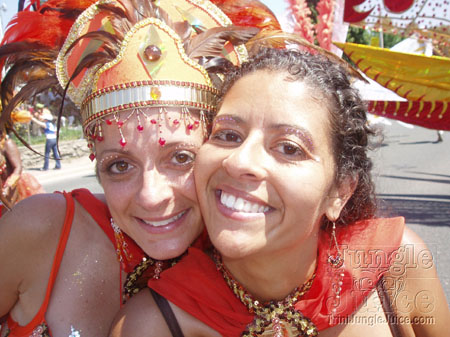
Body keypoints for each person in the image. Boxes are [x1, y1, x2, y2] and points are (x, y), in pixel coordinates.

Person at [111, 45, 450, 336]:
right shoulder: (150, 323)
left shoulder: (393, 266)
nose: (239, 161)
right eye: (228, 135)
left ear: (339, 193)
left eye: (289, 147)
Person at [0, 0, 265, 336]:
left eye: (181, 158)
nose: (151, 196)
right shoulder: (44, 229)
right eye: (120, 165)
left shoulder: (256, 257)